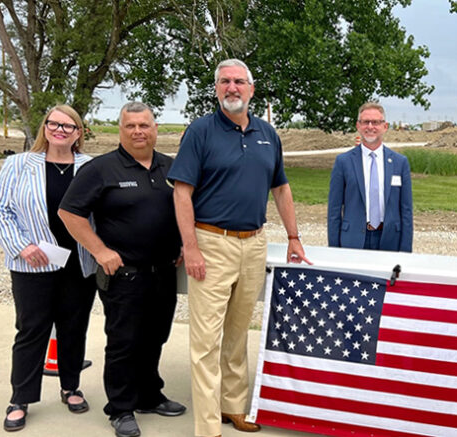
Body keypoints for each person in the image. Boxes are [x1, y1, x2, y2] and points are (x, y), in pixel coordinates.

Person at [168, 58, 309, 437]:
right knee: (206, 342)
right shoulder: (200, 132)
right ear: (216, 89)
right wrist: (191, 247)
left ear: (251, 88)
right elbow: (182, 193)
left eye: (239, 82)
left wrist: (293, 236)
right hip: (212, 243)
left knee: (237, 332)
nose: (232, 88)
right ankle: (209, 426)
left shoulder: (267, 133)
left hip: (254, 242)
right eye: (225, 82)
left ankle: (233, 407)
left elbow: (281, 188)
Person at [59, 102, 185, 437]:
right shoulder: (101, 169)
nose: (138, 132)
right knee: (124, 341)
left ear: (155, 127)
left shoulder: (171, 168)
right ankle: (121, 408)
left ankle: (148, 395)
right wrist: (99, 250)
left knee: (156, 337)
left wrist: (187, 244)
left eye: (144, 125)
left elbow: (186, 210)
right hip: (124, 275)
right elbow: (69, 213)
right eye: (130, 126)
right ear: (120, 130)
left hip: (164, 271)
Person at [0, 105, 97, 432]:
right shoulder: (19, 165)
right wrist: (22, 245)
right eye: (54, 123)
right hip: (33, 262)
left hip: (78, 262)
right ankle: (21, 397)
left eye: (69, 126)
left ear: (79, 133)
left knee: (73, 327)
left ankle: (70, 386)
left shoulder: (90, 167)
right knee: (31, 329)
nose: (60, 130)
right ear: (45, 127)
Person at [327, 102, 413, 251]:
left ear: (384, 127)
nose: (370, 126)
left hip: (390, 240)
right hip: (353, 240)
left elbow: (406, 210)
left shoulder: (400, 163)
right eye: (366, 122)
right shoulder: (343, 162)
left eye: (376, 122)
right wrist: (334, 250)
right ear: (358, 126)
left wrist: (405, 251)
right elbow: (334, 210)